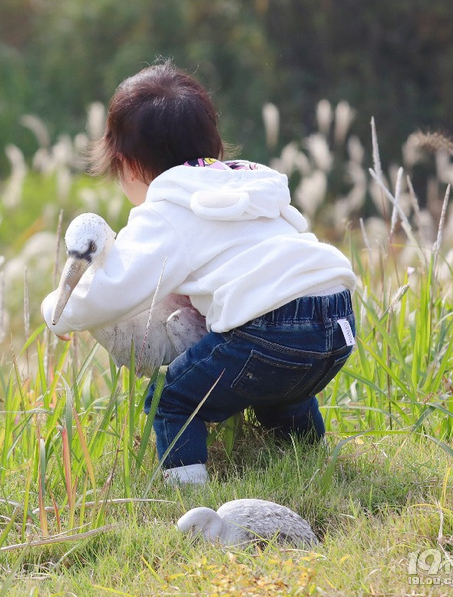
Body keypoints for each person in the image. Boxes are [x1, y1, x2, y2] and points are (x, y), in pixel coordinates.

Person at [41, 61, 356, 486]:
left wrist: (56, 313)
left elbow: (111, 292)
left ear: (129, 166)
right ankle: (314, 461)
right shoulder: (251, 186)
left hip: (269, 328)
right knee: (283, 389)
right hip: (337, 321)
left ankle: (187, 491)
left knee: (173, 399)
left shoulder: (169, 209)